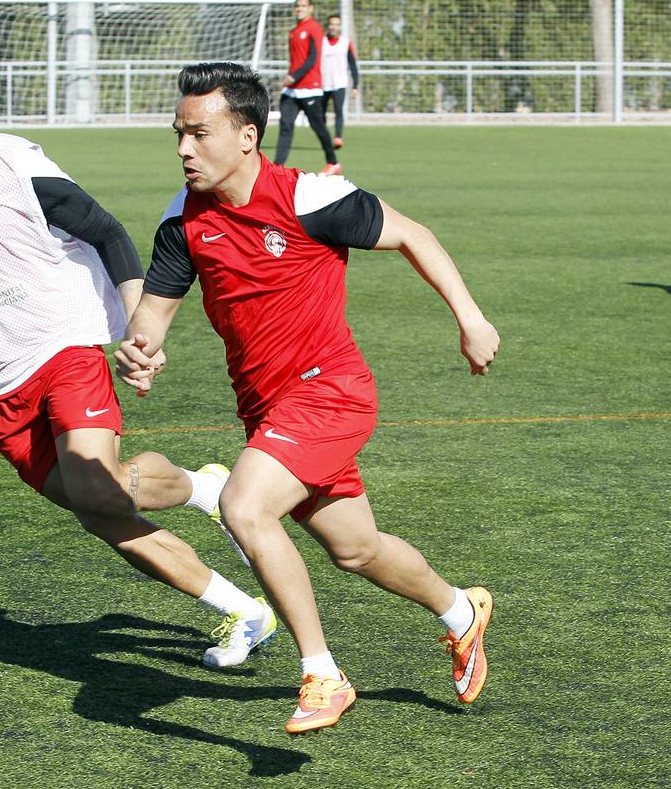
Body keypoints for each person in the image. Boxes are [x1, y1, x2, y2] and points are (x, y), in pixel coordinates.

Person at [0, 34, 275, 668]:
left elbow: (106, 231)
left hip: (64, 343)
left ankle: (241, 588)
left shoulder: (14, 164)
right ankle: (230, 569)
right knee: (103, 510)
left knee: (92, 486)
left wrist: (142, 326)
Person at [116, 62, 500, 734]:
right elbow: (153, 311)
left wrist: (470, 318)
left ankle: (322, 672)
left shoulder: (307, 199)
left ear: (245, 136)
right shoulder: (182, 220)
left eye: (197, 133)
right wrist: (140, 348)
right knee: (356, 550)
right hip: (268, 413)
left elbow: (413, 233)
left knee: (242, 505)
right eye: (177, 133)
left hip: (331, 392)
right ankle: (460, 612)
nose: (182, 148)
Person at [273, 0, 339, 176]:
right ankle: (277, 167)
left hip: (310, 87)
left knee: (318, 126)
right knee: (285, 126)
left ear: (311, 8)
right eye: (297, 6)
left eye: (303, 6)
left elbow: (312, 59)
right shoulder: (293, 31)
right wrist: (291, 79)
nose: (299, 9)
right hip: (292, 91)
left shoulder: (314, 29)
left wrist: (295, 76)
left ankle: (333, 162)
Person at [319, 14, 359, 149]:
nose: (333, 27)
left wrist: (355, 85)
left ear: (339, 27)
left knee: (339, 111)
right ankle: (325, 138)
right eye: (331, 24)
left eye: (336, 24)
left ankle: (338, 138)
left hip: (339, 83)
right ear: (328, 26)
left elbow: (353, 65)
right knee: (320, 114)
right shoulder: (321, 41)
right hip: (322, 84)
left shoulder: (345, 43)